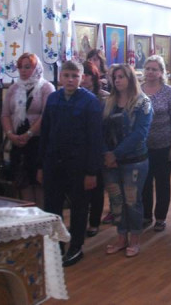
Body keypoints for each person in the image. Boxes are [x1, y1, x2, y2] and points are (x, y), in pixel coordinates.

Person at [38, 60, 103, 267]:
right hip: (53, 162)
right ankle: (56, 245)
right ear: (60, 77)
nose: (70, 80)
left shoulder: (90, 102)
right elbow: (45, 133)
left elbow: (95, 139)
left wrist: (92, 171)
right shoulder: (53, 99)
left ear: (82, 78)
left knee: (79, 206)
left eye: (75, 76)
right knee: (53, 206)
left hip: (79, 164)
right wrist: (41, 165)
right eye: (66, 75)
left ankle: (76, 246)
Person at [103, 64, 152, 258]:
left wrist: (116, 154)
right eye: (115, 77)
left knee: (132, 201)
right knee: (116, 201)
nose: (117, 80)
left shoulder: (142, 102)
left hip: (134, 160)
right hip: (111, 161)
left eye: (121, 77)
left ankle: (135, 239)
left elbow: (140, 134)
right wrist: (107, 154)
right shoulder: (109, 102)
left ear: (130, 79)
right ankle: (121, 237)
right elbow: (101, 131)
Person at [0, 53, 54, 207]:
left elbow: (46, 115)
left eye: (27, 67)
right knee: (23, 183)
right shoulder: (14, 88)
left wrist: (29, 133)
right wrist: (11, 135)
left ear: (36, 68)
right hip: (18, 142)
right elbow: (5, 114)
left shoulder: (46, 88)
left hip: (38, 141)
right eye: (20, 67)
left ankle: (41, 216)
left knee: (38, 183)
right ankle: (29, 216)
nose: (23, 71)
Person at [141, 55, 171, 232]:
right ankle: (145, 215)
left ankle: (160, 217)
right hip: (141, 147)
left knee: (162, 183)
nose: (150, 72)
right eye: (148, 68)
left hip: (163, 146)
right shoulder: (137, 90)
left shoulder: (168, 92)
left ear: (161, 72)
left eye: (154, 69)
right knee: (144, 183)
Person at [81, 61, 110, 238]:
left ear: (93, 77)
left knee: (96, 186)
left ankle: (94, 221)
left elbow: (106, 124)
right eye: (81, 75)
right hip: (80, 148)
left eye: (87, 75)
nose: (83, 78)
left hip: (99, 145)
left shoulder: (104, 98)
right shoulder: (75, 94)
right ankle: (80, 219)